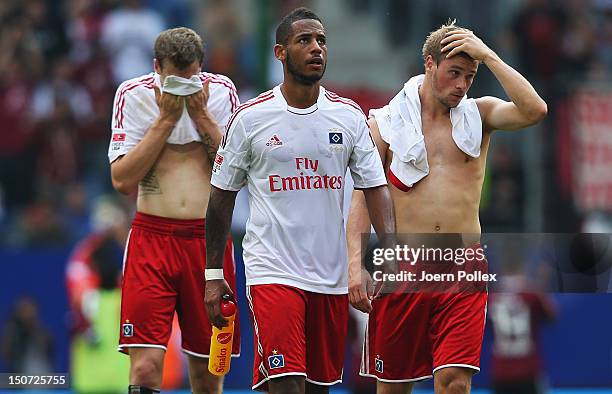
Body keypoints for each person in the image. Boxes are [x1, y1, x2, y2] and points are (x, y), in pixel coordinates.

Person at [347, 21, 548, 394]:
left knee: (454, 383)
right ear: (429, 64)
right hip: (403, 264)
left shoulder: (481, 115)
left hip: (463, 264)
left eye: (469, 76)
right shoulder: (385, 123)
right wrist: (355, 266)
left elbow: (535, 109)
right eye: (454, 73)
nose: (461, 85)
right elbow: (362, 196)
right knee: (393, 386)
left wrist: (488, 55)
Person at [204, 8, 396, 394]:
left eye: (322, 41)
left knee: (316, 388)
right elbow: (220, 201)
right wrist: (213, 275)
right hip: (272, 271)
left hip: (331, 277)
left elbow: (376, 188)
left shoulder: (348, 117)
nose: (316, 49)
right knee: (287, 383)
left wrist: (391, 253)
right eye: (304, 41)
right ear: (280, 53)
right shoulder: (250, 119)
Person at [108, 27, 241, 394]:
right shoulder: (132, 95)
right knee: (147, 367)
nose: (184, 86)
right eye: (174, 80)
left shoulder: (222, 92)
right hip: (152, 238)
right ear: (156, 68)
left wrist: (201, 117)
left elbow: (235, 171)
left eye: (191, 77)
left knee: (207, 372)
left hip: (207, 242)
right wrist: (165, 119)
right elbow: (121, 179)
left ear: (202, 67)